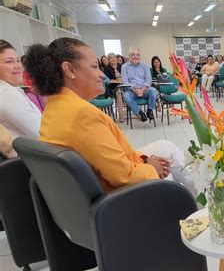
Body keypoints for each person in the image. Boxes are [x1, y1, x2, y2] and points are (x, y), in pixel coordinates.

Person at [24, 37, 196, 195]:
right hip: (119, 197)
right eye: (94, 66)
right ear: (69, 69)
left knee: (167, 147)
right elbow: (123, 176)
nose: (101, 74)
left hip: (101, 187)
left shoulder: (55, 106)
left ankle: (202, 200)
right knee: (170, 165)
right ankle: (207, 205)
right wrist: (151, 168)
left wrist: (144, 160)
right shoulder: (81, 114)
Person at [0, 40, 41, 156]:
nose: (17, 66)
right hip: (31, 164)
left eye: (17, 60)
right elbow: (42, 133)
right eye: (9, 62)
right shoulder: (6, 94)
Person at [120, 47, 158, 122]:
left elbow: (148, 80)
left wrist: (142, 90)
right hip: (131, 91)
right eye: (133, 54)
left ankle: (149, 111)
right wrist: (135, 91)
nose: (136, 57)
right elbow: (125, 82)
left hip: (144, 89)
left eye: (138, 55)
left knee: (153, 90)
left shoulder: (145, 66)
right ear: (129, 56)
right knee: (125, 96)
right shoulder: (124, 67)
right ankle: (140, 113)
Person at [102, 53, 125, 122]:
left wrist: (120, 80)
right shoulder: (107, 68)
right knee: (119, 93)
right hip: (114, 87)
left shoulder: (121, 66)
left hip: (124, 85)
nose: (113, 59)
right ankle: (121, 116)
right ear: (108, 60)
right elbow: (109, 80)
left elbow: (126, 77)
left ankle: (137, 113)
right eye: (111, 58)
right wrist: (117, 81)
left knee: (131, 91)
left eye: (114, 57)